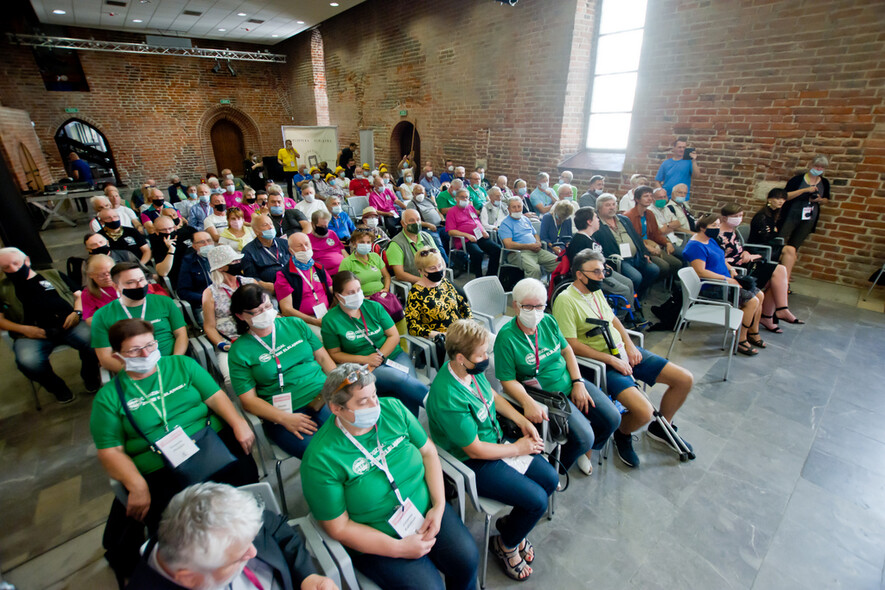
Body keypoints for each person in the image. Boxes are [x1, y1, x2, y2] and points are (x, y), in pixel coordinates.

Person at [301, 363, 478, 589]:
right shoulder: (321, 459)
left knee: (467, 559)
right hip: (376, 534)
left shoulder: (393, 409)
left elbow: (428, 452)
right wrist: (399, 549)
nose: (375, 405)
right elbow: (339, 527)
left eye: (375, 394)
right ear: (336, 408)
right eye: (363, 402)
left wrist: (439, 505)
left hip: (424, 509)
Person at [90, 319, 257, 533]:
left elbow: (216, 397)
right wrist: (136, 484)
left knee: (242, 489)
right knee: (182, 524)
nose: (145, 354)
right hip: (159, 463)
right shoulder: (109, 397)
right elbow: (110, 451)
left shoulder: (181, 365)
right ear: (117, 356)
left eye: (150, 345)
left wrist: (239, 423)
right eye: (134, 350)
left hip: (210, 440)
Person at [426, 319, 556, 581]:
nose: (487, 358)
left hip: (497, 442)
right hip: (474, 461)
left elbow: (492, 397)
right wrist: (518, 447)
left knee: (550, 479)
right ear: (461, 357)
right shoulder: (447, 395)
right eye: (482, 354)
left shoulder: (468, 371)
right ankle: (506, 545)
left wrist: (521, 420)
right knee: (537, 501)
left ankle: (509, 528)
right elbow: (474, 450)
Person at [552, 249, 695, 467]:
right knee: (644, 412)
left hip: (622, 351)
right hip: (602, 362)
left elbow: (613, 320)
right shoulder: (566, 301)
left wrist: (629, 345)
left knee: (684, 379)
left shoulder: (596, 291)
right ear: (580, 274)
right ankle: (623, 432)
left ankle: (662, 427)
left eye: (604, 270)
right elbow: (571, 345)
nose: (603, 276)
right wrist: (611, 360)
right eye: (597, 272)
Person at [496, 279, 621, 476]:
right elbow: (507, 380)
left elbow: (567, 350)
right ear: (516, 306)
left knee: (612, 419)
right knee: (583, 438)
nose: (535, 311)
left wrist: (578, 382)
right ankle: (555, 467)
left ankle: (579, 450)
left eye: (539, 306)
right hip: (546, 394)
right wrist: (527, 402)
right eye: (528, 306)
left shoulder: (548, 321)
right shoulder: (507, 337)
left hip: (570, 382)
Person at [128, 482, 335, 590]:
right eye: (239, 557)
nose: (253, 552)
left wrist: (307, 575)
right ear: (189, 578)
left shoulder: (225, 520)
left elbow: (275, 527)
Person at [230, 284, 336, 458]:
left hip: (323, 394)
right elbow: (248, 400)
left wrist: (338, 387)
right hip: (283, 412)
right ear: (240, 316)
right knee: (322, 456)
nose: (265, 313)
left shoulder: (295, 324)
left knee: (353, 435)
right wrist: (283, 418)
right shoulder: (240, 351)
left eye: (267, 306)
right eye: (257, 311)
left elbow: (324, 359)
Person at [0, 247, 99, 402]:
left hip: (69, 325)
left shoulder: (52, 275)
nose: (13, 269)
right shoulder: (2, 288)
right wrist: (24, 329)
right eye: (6, 267)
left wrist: (77, 312)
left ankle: (91, 377)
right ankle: (57, 388)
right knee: (28, 362)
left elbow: (79, 294)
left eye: (16, 264)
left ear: (26, 260)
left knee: (95, 341)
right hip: (31, 334)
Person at [322, 272, 428, 416]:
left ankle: (409, 429)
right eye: (351, 292)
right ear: (338, 295)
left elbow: (394, 336)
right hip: (364, 366)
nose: (357, 295)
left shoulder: (373, 307)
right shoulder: (330, 320)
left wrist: (380, 355)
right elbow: (335, 354)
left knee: (407, 386)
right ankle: (438, 405)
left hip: (392, 354)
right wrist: (366, 360)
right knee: (399, 378)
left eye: (358, 290)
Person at [681, 215, 765, 356]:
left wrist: (731, 270)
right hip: (711, 286)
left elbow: (721, 258)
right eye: (714, 225)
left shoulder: (710, 240)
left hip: (725, 280)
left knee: (760, 295)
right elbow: (701, 272)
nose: (717, 228)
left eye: (718, 225)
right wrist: (726, 279)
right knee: (752, 301)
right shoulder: (695, 246)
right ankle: (741, 339)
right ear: (702, 227)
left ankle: (753, 331)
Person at [719, 204, 802, 332]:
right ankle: (780, 310)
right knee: (777, 273)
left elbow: (739, 249)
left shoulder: (733, 231)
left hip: (743, 261)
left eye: (740, 216)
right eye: (735, 216)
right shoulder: (719, 234)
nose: (738, 219)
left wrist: (745, 253)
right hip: (736, 268)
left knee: (778, 276)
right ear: (724, 218)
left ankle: (771, 315)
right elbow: (719, 257)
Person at [92, 262, 187, 372]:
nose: (140, 286)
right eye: (131, 282)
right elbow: (105, 358)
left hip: (172, 365)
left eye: (142, 279)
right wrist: (138, 373)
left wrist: (175, 360)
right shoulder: (102, 316)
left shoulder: (165, 302)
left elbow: (181, 335)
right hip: (134, 372)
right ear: (116, 286)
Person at [201, 246, 257, 387]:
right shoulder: (210, 293)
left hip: (257, 336)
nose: (239, 263)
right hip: (230, 341)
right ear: (221, 267)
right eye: (234, 261)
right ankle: (242, 407)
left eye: (238, 260)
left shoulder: (249, 283)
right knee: (232, 380)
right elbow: (209, 326)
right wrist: (222, 344)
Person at [592, 193, 659, 299]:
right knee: (636, 277)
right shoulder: (596, 223)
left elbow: (636, 238)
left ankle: (637, 296)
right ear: (599, 208)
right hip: (618, 259)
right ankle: (630, 301)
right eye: (608, 205)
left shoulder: (623, 219)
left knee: (654, 270)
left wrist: (644, 252)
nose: (612, 207)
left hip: (635, 256)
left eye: (614, 204)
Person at [778, 155, 831, 283]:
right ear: (810, 164)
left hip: (809, 217)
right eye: (816, 166)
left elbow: (826, 199)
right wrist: (805, 190)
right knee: (779, 240)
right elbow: (786, 196)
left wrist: (819, 200)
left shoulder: (824, 182)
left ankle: (786, 272)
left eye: (821, 167)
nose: (818, 169)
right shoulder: (797, 180)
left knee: (795, 245)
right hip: (792, 214)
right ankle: (774, 268)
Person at [566, 207, 635, 303]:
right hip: (592, 276)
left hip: (602, 270)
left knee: (629, 283)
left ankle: (632, 312)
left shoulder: (590, 237)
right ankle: (620, 317)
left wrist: (604, 265)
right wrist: (603, 270)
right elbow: (582, 267)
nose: (598, 220)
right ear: (589, 222)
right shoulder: (580, 242)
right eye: (596, 217)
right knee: (624, 290)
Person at [405, 247, 471, 337]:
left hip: (460, 330)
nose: (438, 271)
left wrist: (470, 322)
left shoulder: (445, 282)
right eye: (432, 268)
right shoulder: (416, 293)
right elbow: (412, 327)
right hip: (445, 338)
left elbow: (463, 305)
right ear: (421, 271)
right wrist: (441, 335)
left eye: (439, 266)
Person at [275, 233, 334, 328]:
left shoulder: (318, 267)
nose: (305, 249)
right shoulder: (284, 275)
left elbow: (333, 290)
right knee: (325, 337)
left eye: (307, 244)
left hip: (328, 312)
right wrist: (315, 321)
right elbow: (286, 309)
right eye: (299, 246)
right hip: (305, 321)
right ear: (291, 251)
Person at [624, 186, 682, 278]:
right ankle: (654, 288)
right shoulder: (629, 215)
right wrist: (648, 248)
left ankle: (668, 287)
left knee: (676, 263)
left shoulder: (649, 214)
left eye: (651, 196)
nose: (649, 198)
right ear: (637, 199)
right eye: (646, 196)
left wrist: (667, 243)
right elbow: (632, 238)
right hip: (640, 249)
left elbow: (656, 234)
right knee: (664, 266)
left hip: (653, 245)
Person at [498, 197, 558, 280]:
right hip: (518, 253)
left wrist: (537, 242)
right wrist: (529, 246)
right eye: (514, 207)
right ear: (508, 209)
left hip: (536, 250)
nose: (517, 209)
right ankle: (532, 292)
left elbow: (535, 234)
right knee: (534, 269)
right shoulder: (505, 224)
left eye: (519, 206)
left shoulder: (525, 219)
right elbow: (509, 245)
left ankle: (555, 289)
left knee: (559, 262)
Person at [446, 187, 501, 277]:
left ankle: (491, 275)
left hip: (479, 235)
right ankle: (478, 276)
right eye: (462, 197)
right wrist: (467, 235)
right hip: (465, 240)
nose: (465, 199)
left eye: (467, 197)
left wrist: (483, 230)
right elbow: (451, 231)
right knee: (478, 253)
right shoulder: (452, 212)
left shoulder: (470, 207)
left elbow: (477, 221)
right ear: (456, 198)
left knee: (497, 249)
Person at [387, 209, 441, 284]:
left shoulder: (427, 236)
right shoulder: (395, 244)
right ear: (403, 223)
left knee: (460, 294)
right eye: (411, 220)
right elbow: (399, 274)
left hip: (436, 279)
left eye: (418, 220)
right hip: (417, 284)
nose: (416, 223)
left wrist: (442, 275)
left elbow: (440, 258)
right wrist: (424, 281)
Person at [339, 230, 392, 298]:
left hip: (381, 296)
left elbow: (386, 276)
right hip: (362, 299)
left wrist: (386, 289)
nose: (365, 245)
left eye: (368, 242)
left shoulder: (375, 256)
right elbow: (343, 286)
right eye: (362, 242)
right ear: (354, 243)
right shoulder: (347, 262)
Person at [242, 214, 293, 283]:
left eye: (271, 224)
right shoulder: (248, 251)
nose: (270, 227)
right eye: (265, 225)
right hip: (270, 286)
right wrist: (264, 285)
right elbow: (251, 277)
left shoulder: (285, 243)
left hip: (292, 281)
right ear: (256, 231)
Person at [150, 215, 197, 288]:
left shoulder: (188, 232)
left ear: (175, 227)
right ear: (156, 231)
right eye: (163, 230)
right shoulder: (157, 243)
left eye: (170, 228)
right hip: (183, 279)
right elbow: (162, 272)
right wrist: (171, 250)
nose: (168, 232)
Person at [176, 232, 214, 311]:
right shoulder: (188, 262)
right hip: (203, 304)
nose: (207, 244)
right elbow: (183, 291)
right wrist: (205, 298)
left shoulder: (222, 257)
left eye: (209, 240)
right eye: (201, 242)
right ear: (194, 246)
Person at [648, 187, 688, 256]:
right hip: (663, 242)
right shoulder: (650, 211)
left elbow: (678, 223)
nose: (663, 199)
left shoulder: (666, 208)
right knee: (686, 254)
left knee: (692, 251)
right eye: (660, 197)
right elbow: (661, 231)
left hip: (675, 239)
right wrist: (671, 225)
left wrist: (667, 225)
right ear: (653, 199)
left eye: (664, 197)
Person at [82, 254, 119, 324]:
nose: (108, 277)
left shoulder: (128, 282)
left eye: (110, 272)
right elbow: (89, 319)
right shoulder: (87, 293)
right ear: (90, 275)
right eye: (101, 275)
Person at [749, 188, 786, 258]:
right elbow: (764, 237)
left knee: (791, 250)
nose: (781, 201)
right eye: (778, 199)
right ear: (769, 199)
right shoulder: (762, 216)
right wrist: (774, 232)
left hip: (767, 244)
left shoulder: (773, 215)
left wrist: (773, 232)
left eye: (783, 199)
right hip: (758, 247)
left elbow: (773, 233)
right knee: (788, 250)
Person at [309, 209, 346, 276]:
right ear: (313, 224)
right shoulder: (307, 239)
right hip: (326, 274)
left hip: (343, 269)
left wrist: (350, 263)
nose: (324, 228)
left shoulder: (332, 233)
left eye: (326, 226)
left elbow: (342, 250)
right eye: (322, 226)